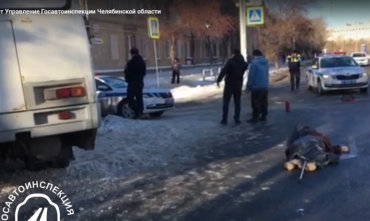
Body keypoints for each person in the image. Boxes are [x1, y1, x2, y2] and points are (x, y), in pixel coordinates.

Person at [216, 49, 249, 125]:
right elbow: (245, 67)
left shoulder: (231, 61)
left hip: (229, 84)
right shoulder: (243, 63)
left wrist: (218, 80)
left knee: (226, 102)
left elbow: (224, 71)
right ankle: (237, 118)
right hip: (238, 84)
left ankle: (224, 119)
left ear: (233, 54)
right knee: (237, 102)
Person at [246, 49, 269, 123]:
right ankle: (263, 116)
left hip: (256, 86)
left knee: (255, 103)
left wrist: (248, 86)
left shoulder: (254, 63)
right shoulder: (265, 62)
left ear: (254, 55)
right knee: (264, 102)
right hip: (265, 85)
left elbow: (252, 76)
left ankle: (255, 117)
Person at [124, 47, 146, 119]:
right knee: (139, 97)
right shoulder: (142, 61)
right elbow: (144, 72)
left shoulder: (131, 62)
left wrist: (128, 79)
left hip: (133, 83)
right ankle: (140, 111)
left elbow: (128, 72)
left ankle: (136, 111)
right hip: (140, 82)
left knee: (130, 98)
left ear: (131, 53)